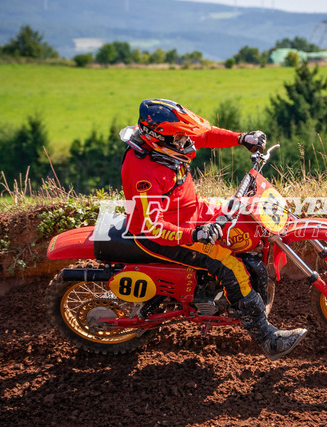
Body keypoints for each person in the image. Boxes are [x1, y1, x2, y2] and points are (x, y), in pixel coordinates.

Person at [120, 98, 307, 360]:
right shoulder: (144, 174)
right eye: (180, 138)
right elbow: (153, 225)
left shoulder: (164, 145)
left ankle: (246, 291)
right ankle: (267, 338)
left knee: (243, 217)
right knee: (230, 265)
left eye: (184, 136)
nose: (186, 142)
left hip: (190, 213)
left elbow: (204, 135)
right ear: (158, 137)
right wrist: (195, 234)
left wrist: (241, 138)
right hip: (165, 235)